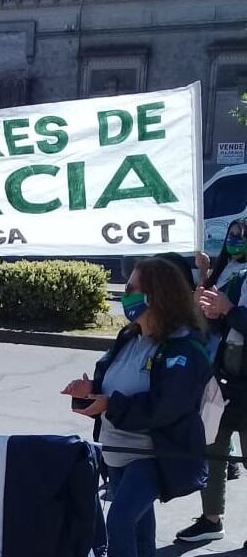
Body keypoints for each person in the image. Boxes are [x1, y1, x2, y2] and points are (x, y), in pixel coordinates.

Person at [62, 257, 211, 557]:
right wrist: (89, 391)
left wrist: (110, 404)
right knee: (141, 531)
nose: (123, 293)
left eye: (131, 288)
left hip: (151, 454)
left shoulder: (183, 347)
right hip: (116, 451)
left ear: (155, 296)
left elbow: (165, 407)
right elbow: (109, 384)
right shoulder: (129, 335)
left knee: (119, 521)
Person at [176, 220, 247, 543]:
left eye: (243, 235)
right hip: (218, 378)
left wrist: (228, 309)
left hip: (244, 380)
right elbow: (200, 313)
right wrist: (203, 273)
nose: (236, 239)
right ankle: (210, 519)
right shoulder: (225, 269)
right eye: (233, 233)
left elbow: (232, 314)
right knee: (214, 451)